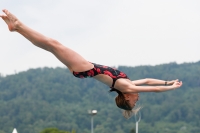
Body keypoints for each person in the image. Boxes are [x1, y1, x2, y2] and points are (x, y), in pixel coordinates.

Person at [0, 9, 182, 119]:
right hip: (83, 69)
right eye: (136, 101)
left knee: (53, 44)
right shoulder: (128, 85)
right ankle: (16, 28)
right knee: (51, 46)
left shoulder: (126, 87)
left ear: (127, 98)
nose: (137, 99)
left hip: (86, 68)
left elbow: (154, 90)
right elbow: (150, 82)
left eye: (134, 102)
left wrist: (172, 88)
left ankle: (18, 26)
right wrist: (168, 83)